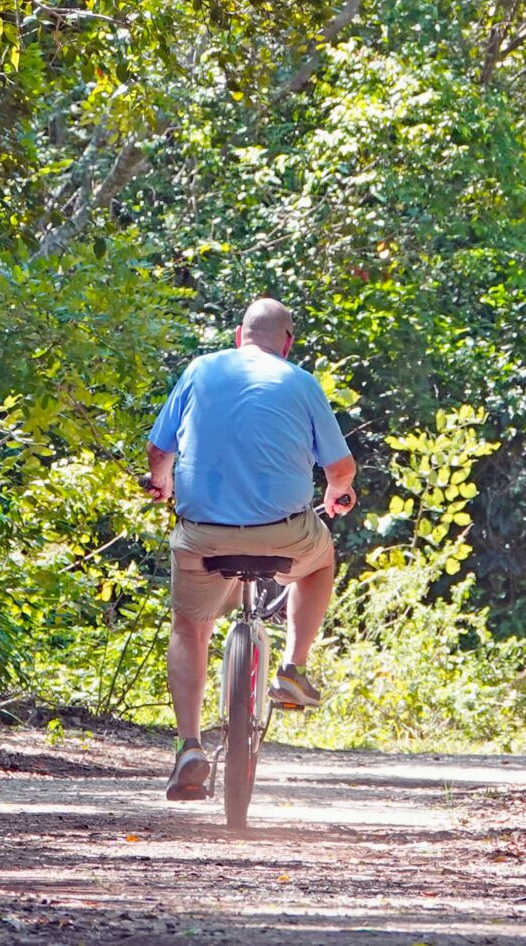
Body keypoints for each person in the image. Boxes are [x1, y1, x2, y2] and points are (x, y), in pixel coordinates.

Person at [142, 297, 356, 802]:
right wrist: (336, 495)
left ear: (240, 336)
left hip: (204, 534)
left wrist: (161, 483)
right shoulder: (301, 381)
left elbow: (158, 451)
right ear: (288, 343)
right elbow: (340, 469)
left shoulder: (199, 369)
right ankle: (293, 668)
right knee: (320, 558)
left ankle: (190, 746)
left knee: (190, 627)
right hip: (281, 531)